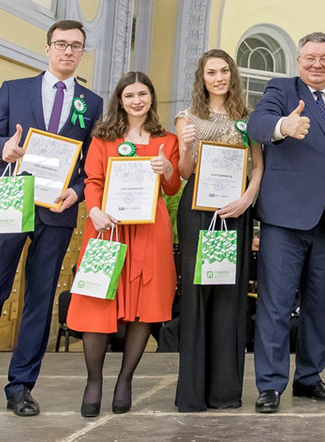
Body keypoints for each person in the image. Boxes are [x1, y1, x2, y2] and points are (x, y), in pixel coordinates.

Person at [0, 20, 103, 421]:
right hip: (13, 201)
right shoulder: (14, 90)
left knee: (39, 300)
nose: (68, 51)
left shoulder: (93, 103)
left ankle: (21, 387)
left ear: (83, 53)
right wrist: (5, 148)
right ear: (47, 49)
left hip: (57, 211)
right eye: (61, 44)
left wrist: (78, 192)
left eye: (76, 46)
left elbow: (91, 164)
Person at [245, 32, 325, 414]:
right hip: (284, 219)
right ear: (299, 61)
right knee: (276, 305)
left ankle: (310, 378)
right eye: (310, 58)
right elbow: (257, 124)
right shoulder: (281, 90)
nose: (317, 64)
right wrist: (284, 127)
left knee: (318, 307)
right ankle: (270, 385)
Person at [67, 72, 181, 417]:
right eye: (129, 94)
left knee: (145, 305)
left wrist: (166, 170)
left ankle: (125, 379)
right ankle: (94, 381)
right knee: (97, 301)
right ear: (119, 99)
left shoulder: (168, 140)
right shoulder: (103, 138)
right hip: (108, 228)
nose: (136, 100)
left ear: (151, 98)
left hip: (150, 230)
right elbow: (93, 180)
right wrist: (95, 210)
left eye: (142, 93)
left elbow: (173, 187)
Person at [174, 49, 264, 412]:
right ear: (202, 77)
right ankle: (193, 393)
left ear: (233, 75)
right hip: (197, 211)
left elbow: (258, 167)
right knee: (197, 296)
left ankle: (225, 392)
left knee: (229, 295)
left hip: (235, 212)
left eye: (225, 70)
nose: (219, 77)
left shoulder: (248, 117)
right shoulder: (188, 117)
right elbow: (183, 171)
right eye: (212, 72)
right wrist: (184, 147)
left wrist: (247, 200)